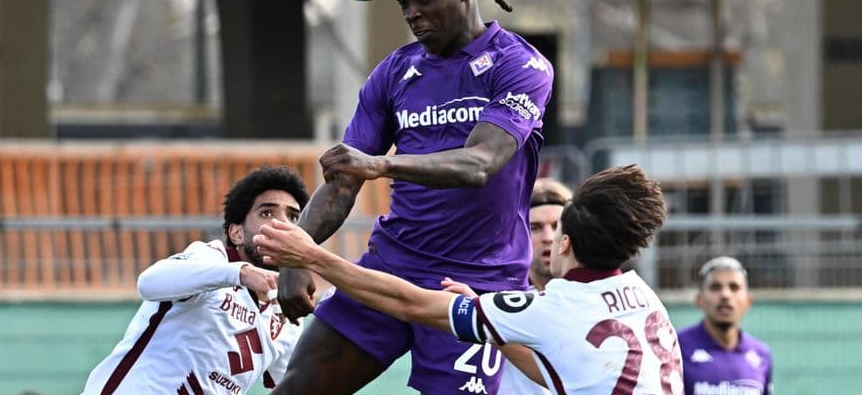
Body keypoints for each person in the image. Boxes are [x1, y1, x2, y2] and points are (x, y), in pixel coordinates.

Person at [274, 0, 553, 395]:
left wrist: (380, 164)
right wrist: (297, 252)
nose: (412, 14)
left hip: (475, 286)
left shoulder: (519, 65)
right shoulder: (393, 72)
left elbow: (479, 164)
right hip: (391, 268)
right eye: (404, 5)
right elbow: (344, 181)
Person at [259, 165, 684, 394]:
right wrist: (489, 323)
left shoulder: (551, 309)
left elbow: (411, 303)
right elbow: (558, 370)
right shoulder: (643, 297)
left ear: (565, 243)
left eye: (554, 231)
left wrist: (312, 255)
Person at [80, 166, 310, 395]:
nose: (283, 224)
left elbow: (291, 384)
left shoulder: (288, 309)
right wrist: (242, 273)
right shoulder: (211, 258)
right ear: (236, 233)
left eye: (293, 217)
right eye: (267, 213)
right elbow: (148, 283)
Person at [498, 177, 571, 394]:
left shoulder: (596, 299)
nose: (548, 237)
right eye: (535, 227)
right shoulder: (497, 302)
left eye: (557, 226)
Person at [678, 256, 773, 395]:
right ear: (699, 300)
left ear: (748, 301)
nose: (725, 295)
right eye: (715, 287)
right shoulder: (677, 347)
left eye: (734, 287)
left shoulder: (761, 354)